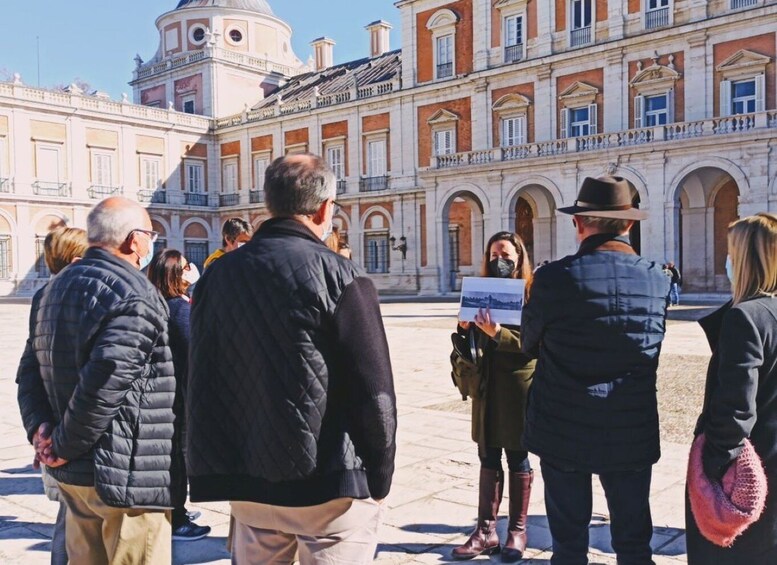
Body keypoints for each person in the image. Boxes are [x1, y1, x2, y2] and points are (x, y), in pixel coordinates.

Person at [187, 154, 397, 564]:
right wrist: (380, 475)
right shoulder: (342, 276)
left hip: (248, 483)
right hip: (327, 487)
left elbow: (203, 376)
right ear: (323, 208)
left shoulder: (216, 276)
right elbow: (375, 393)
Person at [15, 196, 176, 564]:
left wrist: (40, 431)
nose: (151, 243)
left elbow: (29, 371)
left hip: (75, 475)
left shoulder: (52, 289)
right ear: (135, 240)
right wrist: (60, 445)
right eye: (150, 234)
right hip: (124, 475)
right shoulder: (134, 293)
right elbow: (104, 385)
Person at [522, 176, 670, 564]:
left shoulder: (552, 278)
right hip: (630, 422)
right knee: (634, 541)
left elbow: (527, 343)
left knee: (569, 544)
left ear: (579, 223)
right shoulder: (658, 278)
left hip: (563, 423)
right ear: (629, 224)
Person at [686, 213, 777, 563]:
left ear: (745, 258)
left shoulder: (747, 318)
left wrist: (714, 468)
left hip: (750, 467)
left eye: (731, 252)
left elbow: (736, 409)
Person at [451, 231, 536, 562]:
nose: (499, 259)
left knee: (517, 456)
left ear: (519, 256)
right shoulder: (480, 290)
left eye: (506, 253)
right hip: (486, 385)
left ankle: (517, 530)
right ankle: (485, 531)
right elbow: (467, 345)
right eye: (493, 254)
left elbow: (534, 343)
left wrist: (497, 333)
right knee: (487, 456)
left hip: (518, 386)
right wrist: (463, 328)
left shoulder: (532, 293)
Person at [17, 226, 88, 565]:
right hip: (73, 433)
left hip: (57, 431)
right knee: (73, 523)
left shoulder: (41, 296)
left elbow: (28, 372)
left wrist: (39, 428)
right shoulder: (86, 297)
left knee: (68, 519)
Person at [147, 249, 210, 542]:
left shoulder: (160, 304)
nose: (191, 269)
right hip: (178, 397)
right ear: (176, 274)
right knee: (176, 460)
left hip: (166, 394)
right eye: (186, 266)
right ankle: (177, 516)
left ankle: (175, 510)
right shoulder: (179, 309)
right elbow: (193, 350)